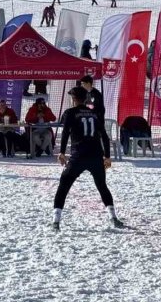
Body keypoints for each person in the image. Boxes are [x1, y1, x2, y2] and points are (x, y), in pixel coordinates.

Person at [52, 87, 123, 231]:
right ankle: (113, 217)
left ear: (73, 99)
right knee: (102, 186)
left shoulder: (70, 113)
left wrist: (61, 152)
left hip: (78, 155)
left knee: (64, 185)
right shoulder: (95, 113)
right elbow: (104, 135)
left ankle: (56, 220)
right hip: (96, 155)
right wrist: (107, 156)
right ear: (85, 98)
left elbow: (65, 133)